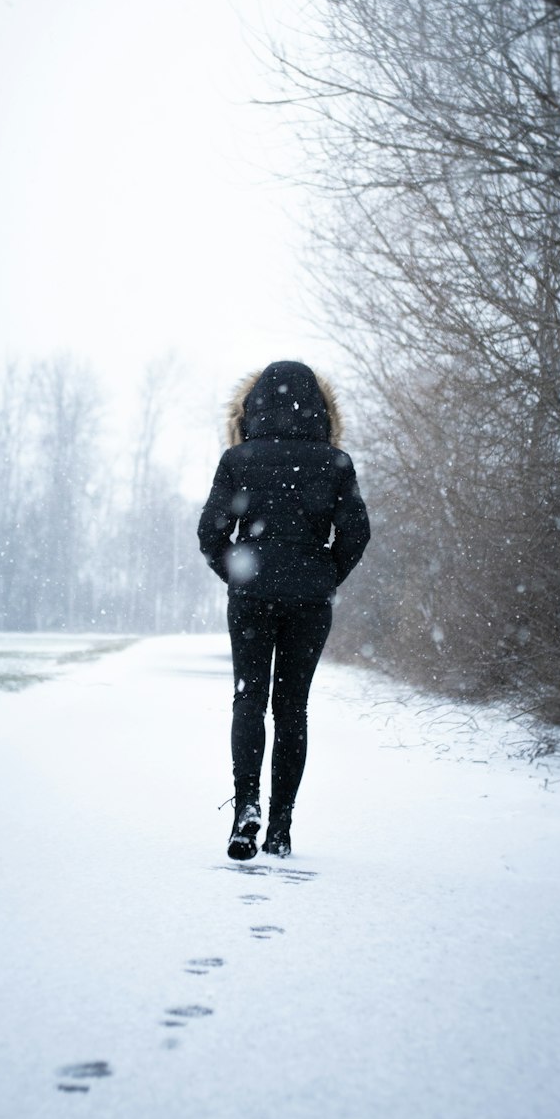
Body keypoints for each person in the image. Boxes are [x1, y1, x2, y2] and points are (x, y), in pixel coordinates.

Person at [197, 360, 370, 860]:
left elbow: (210, 533)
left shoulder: (238, 459)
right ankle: (280, 828)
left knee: (248, 701)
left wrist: (239, 574)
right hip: (310, 603)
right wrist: (323, 575)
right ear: (321, 408)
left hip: (251, 600)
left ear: (251, 407)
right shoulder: (335, 463)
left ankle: (245, 808)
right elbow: (357, 534)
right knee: (292, 708)